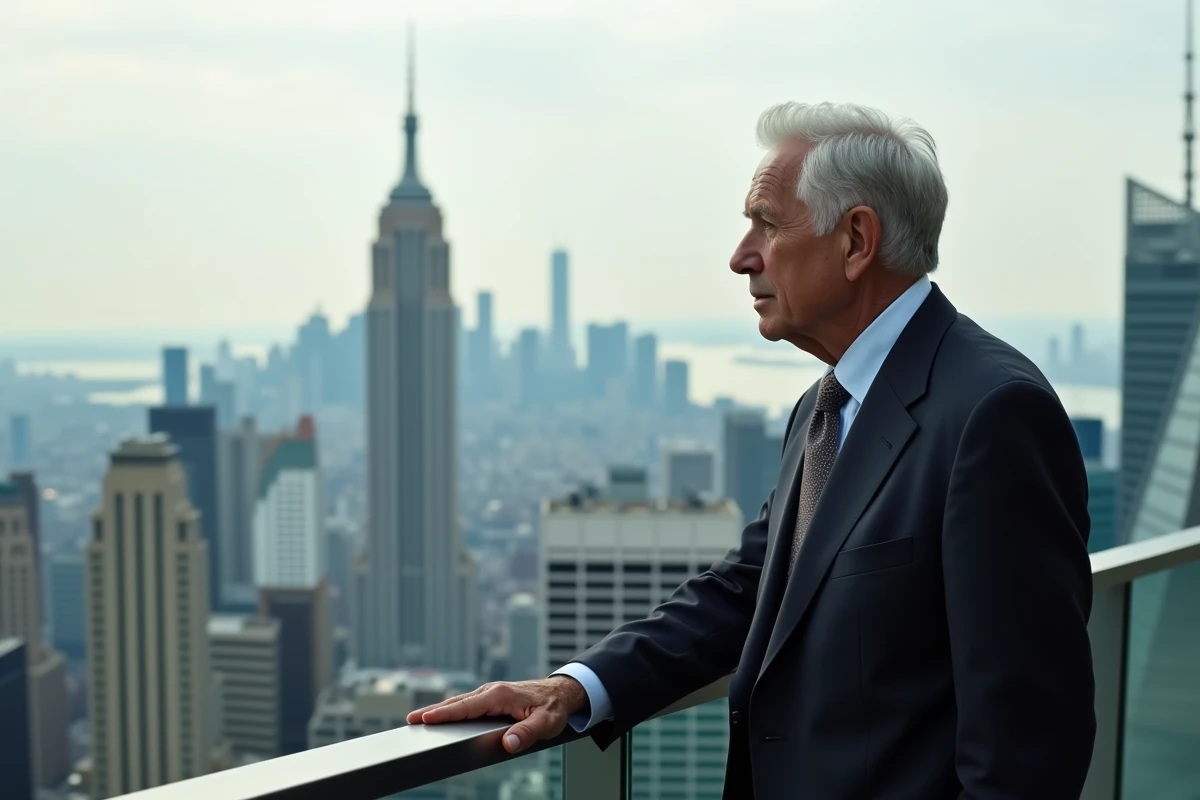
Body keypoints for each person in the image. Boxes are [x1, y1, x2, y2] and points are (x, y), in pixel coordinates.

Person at [409, 102, 1096, 799]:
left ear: (857, 240)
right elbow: (750, 587)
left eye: (767, 222)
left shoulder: (992, 415)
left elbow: (1027, 751)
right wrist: (575, 688)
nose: (741, 256)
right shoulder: (828, 405)